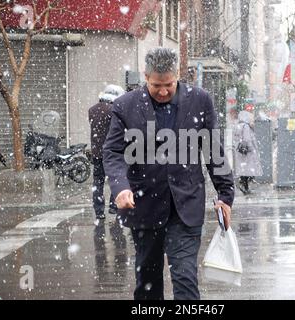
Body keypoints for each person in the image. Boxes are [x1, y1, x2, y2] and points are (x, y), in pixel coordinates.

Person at [103, 47, 234, 300]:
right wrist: (120, 187)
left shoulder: (200, 100)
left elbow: (212, 151)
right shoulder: (125, 106)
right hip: (143, 205)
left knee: (185, 279)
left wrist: (225, 196)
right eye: (156, 85)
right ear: (146, 77)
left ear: (177, 76)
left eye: (169, 85)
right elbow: (113, 152)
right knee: (147, 283)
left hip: (186, 205)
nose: (163, 91)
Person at [89, 84, 125, 224]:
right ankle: (113, 206)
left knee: (98, 183)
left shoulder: (92, 110)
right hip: (112, 152)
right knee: (115, 179)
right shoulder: (114, 110)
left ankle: (99, 211)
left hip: (97, 152)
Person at [233, 109, 263, 194]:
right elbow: (247, 139)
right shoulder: (245, 126)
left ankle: (244, 186)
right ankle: (244, 186)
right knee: (249, 171)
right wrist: (251, 148)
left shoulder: (237, 126)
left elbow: (236, 139)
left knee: (243, 171)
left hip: (240, 152)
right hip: (247, 152)